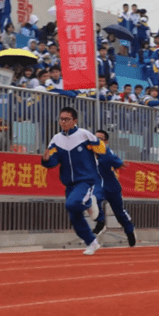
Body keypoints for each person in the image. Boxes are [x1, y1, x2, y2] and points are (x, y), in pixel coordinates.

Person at [41, 107, 105, 255]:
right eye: (61, 119)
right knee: (74, 217)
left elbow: (101, 150)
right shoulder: (56, 139)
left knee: (72, 203)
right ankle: (92, 242)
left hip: (85, 180)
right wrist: (46, 160)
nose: (63, 122)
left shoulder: (84, 135)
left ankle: (90, 201)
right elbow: (53, 161)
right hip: (69, 184)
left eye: (66, 119)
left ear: (74, 121)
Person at [91, 129, 137, 247]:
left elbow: (117, 161)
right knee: (94, 199)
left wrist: (120, 164)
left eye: (100, 139)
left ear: (105, 142)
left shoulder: (107, 153)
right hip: (98, 185)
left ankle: (129, 230)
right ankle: (100, 222)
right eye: (95, 138)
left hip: (111, 186)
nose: (96, 141)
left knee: (119, 213)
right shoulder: (88, 152)